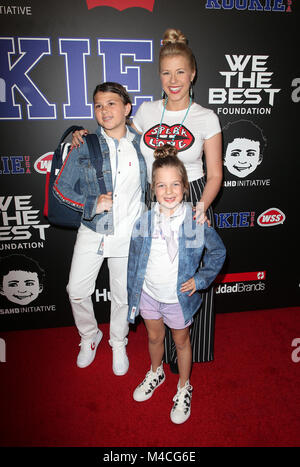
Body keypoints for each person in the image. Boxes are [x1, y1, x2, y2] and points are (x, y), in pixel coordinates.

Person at [72, 28, 223, 371]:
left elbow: (215, 173)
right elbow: (115, 133)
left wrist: (202, 206)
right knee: (155, 275)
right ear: (159, 75)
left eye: (180, 72)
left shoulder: (206, 118)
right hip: (153, 199)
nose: (174, 80)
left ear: (193, 73)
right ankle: (153, 346)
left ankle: (188, 353)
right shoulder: (145, 112)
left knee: (189, 278)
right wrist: (83, 135)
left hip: (195, 196)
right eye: (166, 72)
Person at [127, 144, 226, 424]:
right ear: (152, 189)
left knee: (181, 343)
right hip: (148, 295)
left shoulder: (195, 222)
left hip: (178, 299)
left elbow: (218, 252)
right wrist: (133, 294)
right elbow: (134, 261)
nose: (168, 192)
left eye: (174, 185)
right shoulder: (144, 222)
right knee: (154, 338)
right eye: (161, 186)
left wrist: (201, 279)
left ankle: (184, 387)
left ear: (184, 187)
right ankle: (156, 372)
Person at [53, 82, 147, 374]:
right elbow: (60, 188)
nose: (105, 110)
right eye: (99, 105)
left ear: (127, 108)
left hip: (129, 234)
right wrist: (91, 203)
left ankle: (118, 342)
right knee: (76, 290)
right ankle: (89, 335)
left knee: (122, 295)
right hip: (94, 229)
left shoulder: (143, 144)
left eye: (111, 103)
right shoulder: (86, 143)